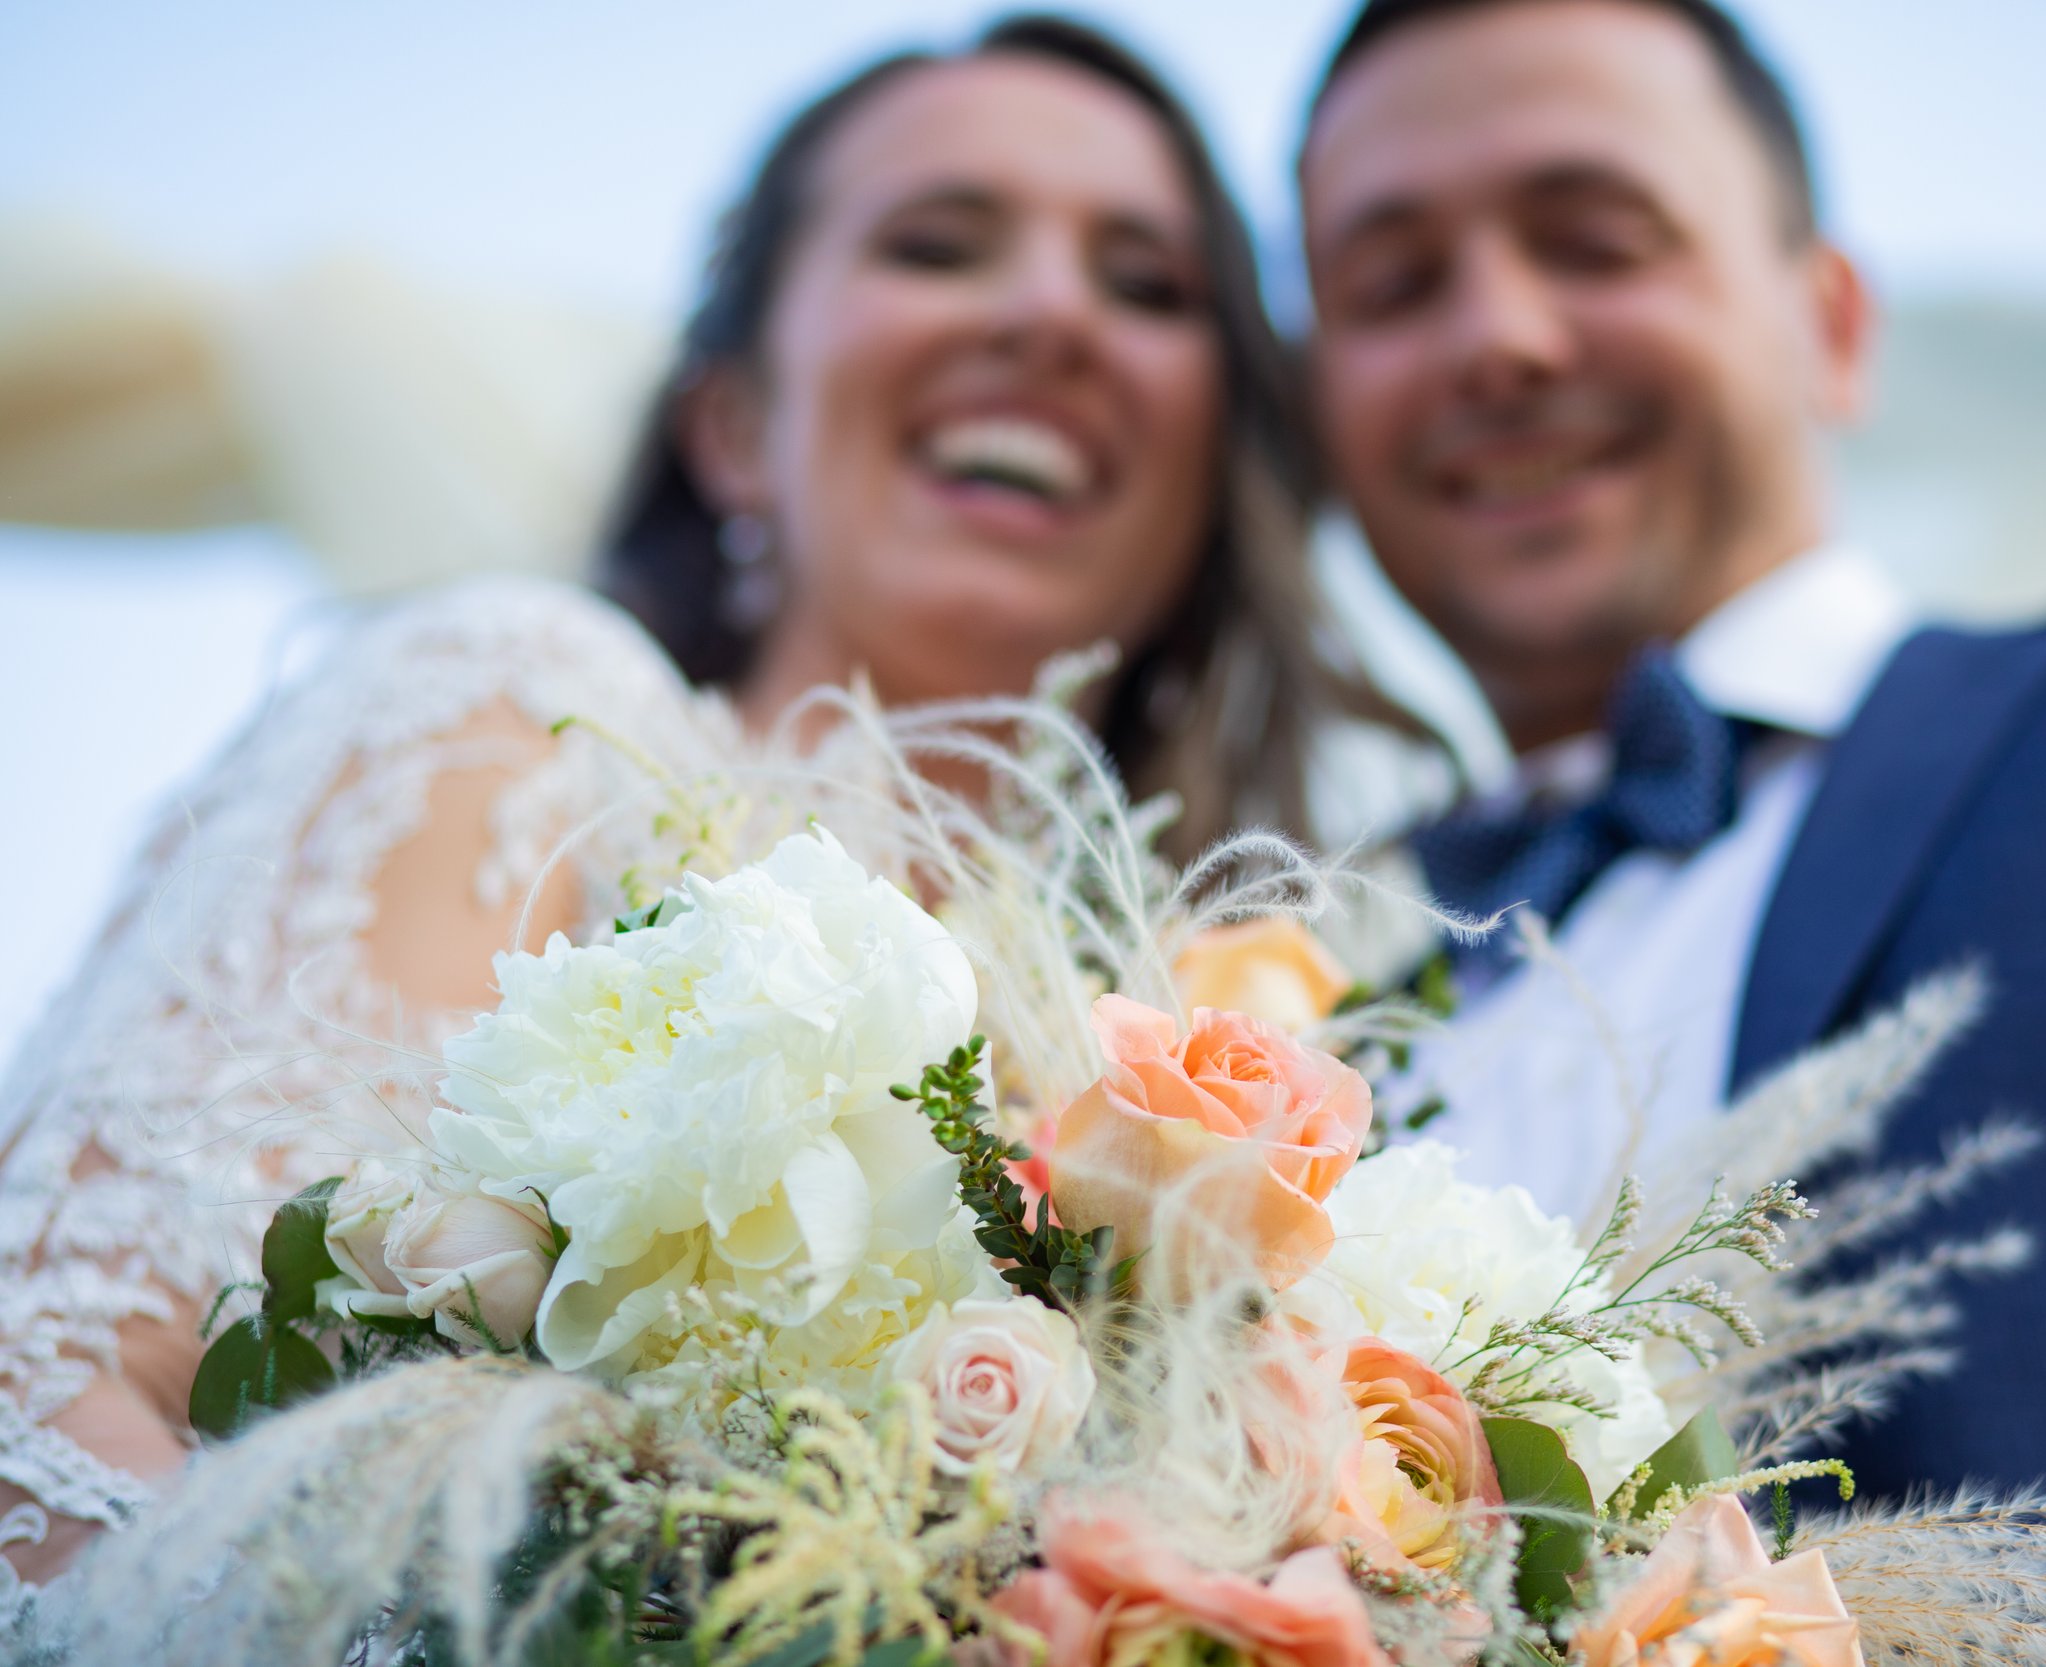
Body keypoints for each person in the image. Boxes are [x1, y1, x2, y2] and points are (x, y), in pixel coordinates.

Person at [0, 13, 1405, 1587]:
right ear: (732, 425)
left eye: (1147, 286)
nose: (1048, 315)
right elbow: (46, 1383)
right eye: (940, 247)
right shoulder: (529, 714)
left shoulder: (1171, 1062)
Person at [1296, 0, 2046, 1654]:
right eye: (1391, 287)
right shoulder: (1273, 1007)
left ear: (1835, 326)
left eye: (1594, 239)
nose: (1496, 335)